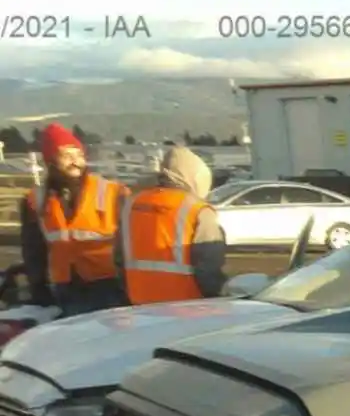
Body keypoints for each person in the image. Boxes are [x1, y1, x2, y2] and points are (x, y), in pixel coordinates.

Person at [20, 124, 129, 315]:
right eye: (66, 155)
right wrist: (38, 286)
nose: (75, 161)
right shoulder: (35, 200)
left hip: (108, 284)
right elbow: (34, 249)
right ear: (51, 161)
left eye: (78, 155)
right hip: (66, 287)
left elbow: (130, 240)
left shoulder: (113, 192)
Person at [117, 145, 227, 303]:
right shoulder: (198, 210)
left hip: (139, 306)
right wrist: (217, 297)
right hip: (188, 308)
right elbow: (209, 268)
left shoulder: (132, 204)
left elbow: (119, 259)